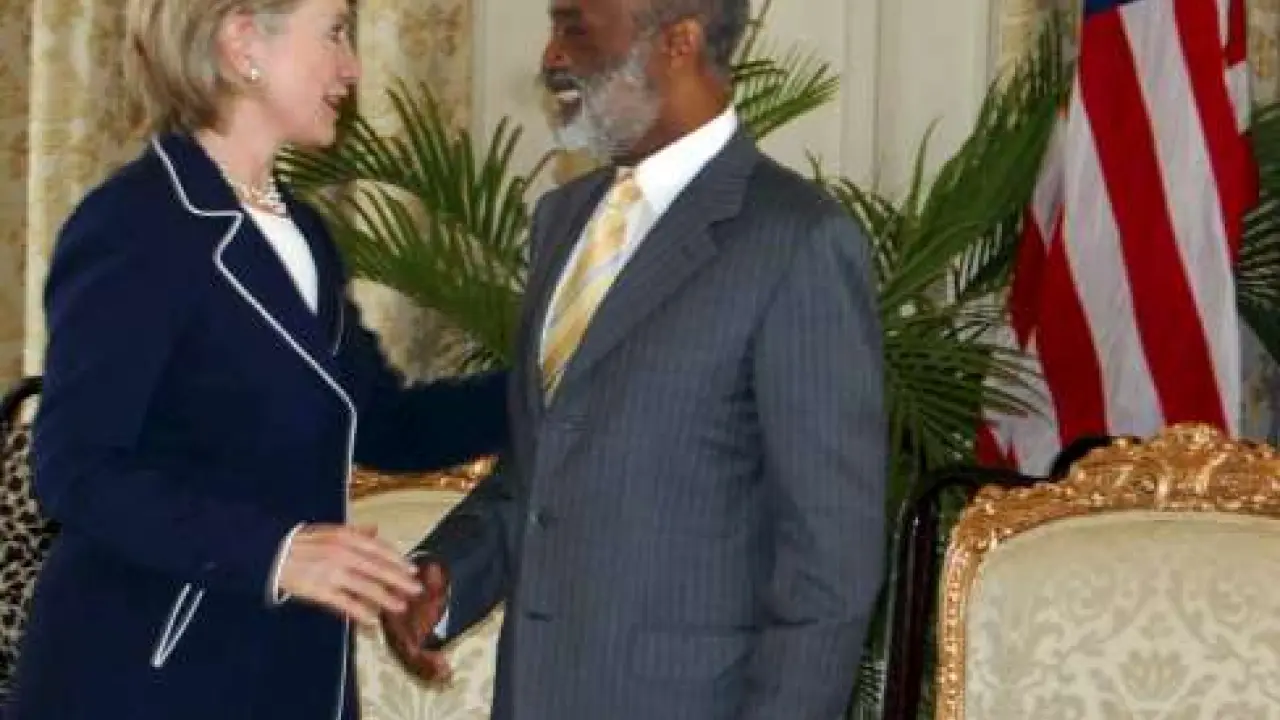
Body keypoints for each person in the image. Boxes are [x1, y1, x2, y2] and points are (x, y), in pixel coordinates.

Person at [382, 0, 886, 717]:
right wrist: (449, 574)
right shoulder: (562, 221)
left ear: (678, 42)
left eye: (575, 28)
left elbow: (830, 565)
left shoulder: (795, 241)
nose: (551, 56)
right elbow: (543, 468)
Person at [6, 1, 508, 718]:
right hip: (146, 679)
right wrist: (277, 552)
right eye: (334, 32)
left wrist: (552, 378)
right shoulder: (136, 223)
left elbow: (384, 423)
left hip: (287, 674)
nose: (351, 67)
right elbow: (74, 468)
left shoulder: (303, 231)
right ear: (243, 41)